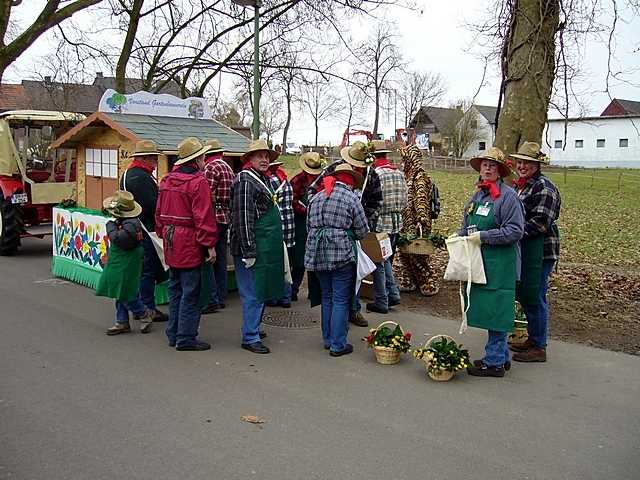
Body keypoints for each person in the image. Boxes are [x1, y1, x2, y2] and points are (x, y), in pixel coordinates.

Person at [459, 147, 524, 378]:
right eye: (484, 164)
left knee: (497, 309)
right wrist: (459, 238)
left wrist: (484, 236)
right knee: (490, 309)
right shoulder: (477, 195)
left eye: (492, 165)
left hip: (502, 265)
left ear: (500, 171)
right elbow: (467, 222)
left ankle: (494, 362)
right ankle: (502, 356)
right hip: (483, 262)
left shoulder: (508, 197)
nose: (487, 168)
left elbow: (515, 231)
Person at [308, 141, 383, 327]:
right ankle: (337, 330)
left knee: (356, 274)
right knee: (336, 290)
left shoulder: (371, 175)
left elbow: (376, 202)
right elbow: (312, 192)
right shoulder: (335, 170)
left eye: (361, 165)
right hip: (332, 233)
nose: (358, 168)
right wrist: (330, 211)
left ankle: (353, 311)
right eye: (355, 164)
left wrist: (361, 221)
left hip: (357, 230)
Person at [155, 137, 218, 351]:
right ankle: (186, 337)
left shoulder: (166, 180)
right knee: (191, 291)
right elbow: (204, 217)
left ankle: (173, 333)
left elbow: (159, 214)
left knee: (175, 289)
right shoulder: (198, 183)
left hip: (172, 240)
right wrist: (209, 245)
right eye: (203, 157)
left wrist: (163, 233)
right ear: (197, 159)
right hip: (189, 240)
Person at [305, 164, 369, 357]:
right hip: (341, 253)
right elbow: (363, 230)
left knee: (327, 296)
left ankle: (327, 339)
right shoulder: (351, 198)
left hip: (317, 253)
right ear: (350, 181)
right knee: (341, 299)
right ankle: (338, 344)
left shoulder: (316, 198)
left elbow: (309, 226)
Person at [230, 139, 285, 355]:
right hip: (251, 247)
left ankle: (253, 328)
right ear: (250, 159)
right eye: (259, 156)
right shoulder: (245, 181)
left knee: (261, 288)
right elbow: (242, 218)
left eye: (266, 156)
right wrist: (248, 251)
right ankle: (250, 337)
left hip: (264, 244)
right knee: (252, 292)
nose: (264, 159)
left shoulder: (263, 179)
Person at [508, 142, 561, 363]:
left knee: (536, 296)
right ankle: (533, 338)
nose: (522, 166)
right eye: (519, 162)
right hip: (525, 249)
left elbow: (541, 222)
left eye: (527, 163)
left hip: (541, 251)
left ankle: (539, 346)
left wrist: (512, 233)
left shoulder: (544, 187)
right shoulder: (520, 186)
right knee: (527, 295)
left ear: (536, 165)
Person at [119, 139, 168, 322]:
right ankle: (148, 308)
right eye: (154, 158)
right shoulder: (141, 177)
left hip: (130, 226)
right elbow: (152, 206)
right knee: (147, 271)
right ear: (146, 158)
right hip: (144, 229)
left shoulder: (127, 174)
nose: (156, 162)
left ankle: (129, 313)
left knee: (139, 270)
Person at [97, 190, 154, 335]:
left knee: (125, 291)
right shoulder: (127, 222)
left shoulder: (130, 225)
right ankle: (122, 321)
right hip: (123, 259)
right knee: (121, 289)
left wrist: (110, 227)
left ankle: (143, 313)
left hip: (127, 260)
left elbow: (119, 239)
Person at [392, 145, 439, 296]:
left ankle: (428, 282)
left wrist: (422, 219)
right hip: (406, 222)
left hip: (416, 222)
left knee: (418, 254)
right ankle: (409, 280)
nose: (402, 162)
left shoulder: (419, 177)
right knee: (405, 252)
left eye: (405, 159)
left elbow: (421, 199)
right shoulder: (408, 175)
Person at [367, 140, 407, 314]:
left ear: (373, 157)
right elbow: (405, 200)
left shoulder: (376, 174)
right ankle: (393, 293)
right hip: (396, 223)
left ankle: (382, 300)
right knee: (386, 258)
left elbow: (374, 202)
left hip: (380, 222)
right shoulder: (399, 173)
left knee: (378, 262)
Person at [201, 138, 234, 314]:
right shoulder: (228, 167)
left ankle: (211, 298)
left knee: (209, 259)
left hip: (214, 217)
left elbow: (205, 193)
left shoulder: (210, 167)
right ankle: (222, 296)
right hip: (226, 217)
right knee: (221, 259)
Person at [289, 152, 323, 301]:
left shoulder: (323, 180)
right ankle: (293, 289)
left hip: (317, 223)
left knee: (316, 258)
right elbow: (292, 200)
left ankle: (314, 292)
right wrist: (307, 210)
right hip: (301, 222)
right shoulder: (297, 180)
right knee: (299, 258)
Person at [265, 160, 295, 308]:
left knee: (274, 264)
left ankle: (275, 297)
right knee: (286, 264)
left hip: (276, 226)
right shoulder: (284, 179)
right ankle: (286, 297)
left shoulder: (270, 180)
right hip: (289, 226)